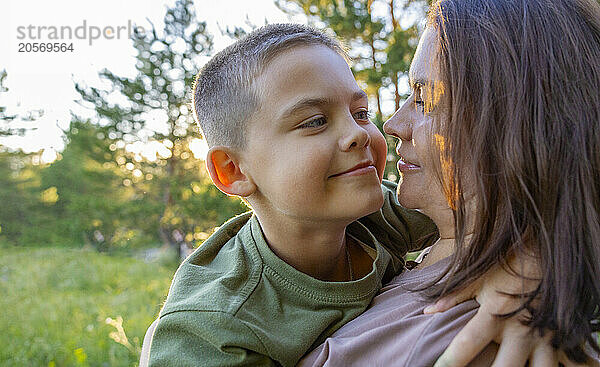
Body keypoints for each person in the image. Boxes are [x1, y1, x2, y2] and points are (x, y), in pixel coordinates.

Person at [299, 0, 600, 365]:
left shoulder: (489, 335)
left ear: (514, 121)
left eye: (424, 99)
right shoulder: (391, 247)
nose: (391, 125)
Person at [146, 23, 439, 367]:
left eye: (360, 113)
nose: (357, 134)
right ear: (233, 170)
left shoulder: (380, 215)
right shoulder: (214, 327)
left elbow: (493, 206)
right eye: (315, 121)